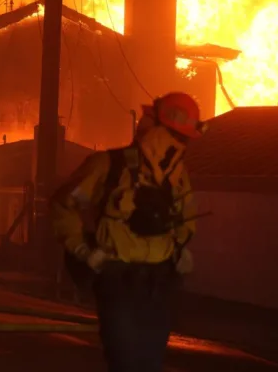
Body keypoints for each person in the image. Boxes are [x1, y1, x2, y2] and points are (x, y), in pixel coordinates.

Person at [50, 92, 206, 372]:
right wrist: (82, 249)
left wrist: (182, 248)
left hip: (159, 284)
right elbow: (67, 204)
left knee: (149, 364)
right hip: (117, 280)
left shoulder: (177, 177)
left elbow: (186, 219)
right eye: (177, 137)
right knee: (126, 363)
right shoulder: (108, 168)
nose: (178, 146)